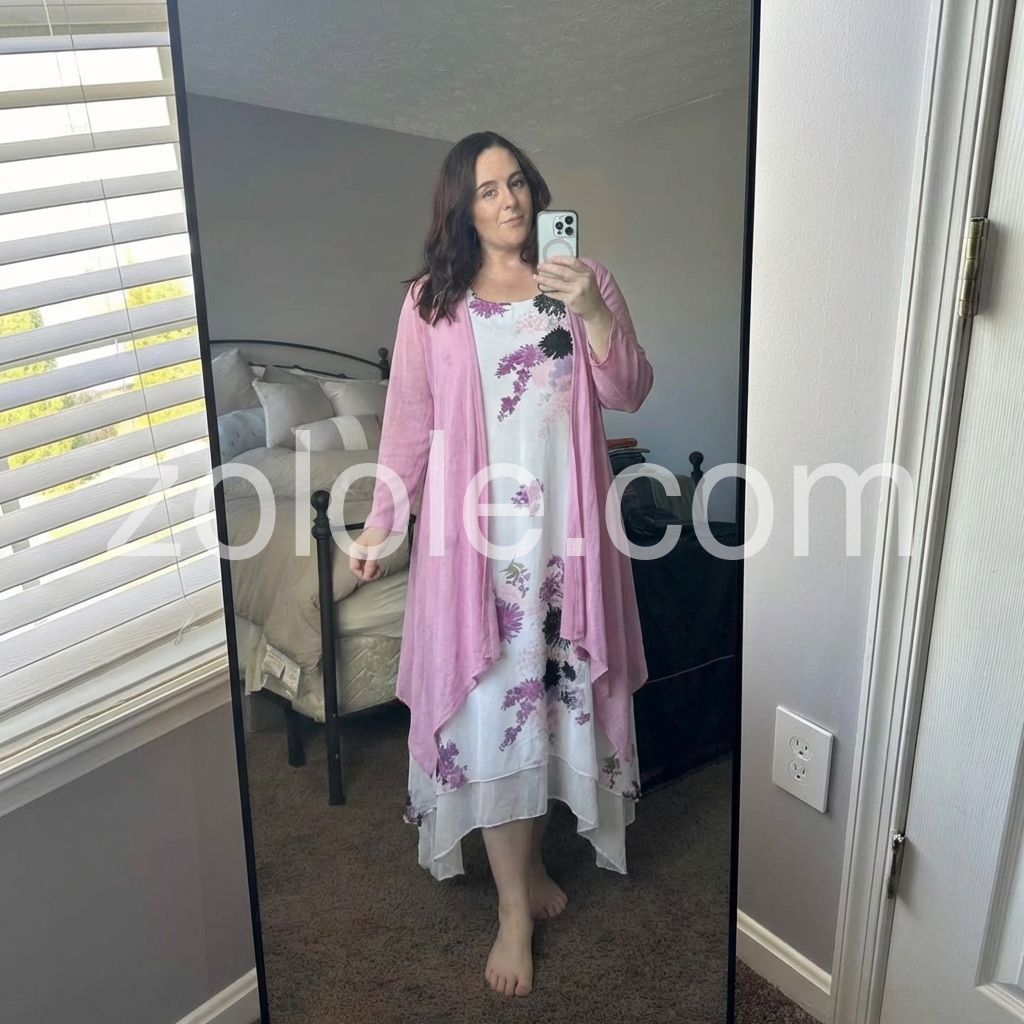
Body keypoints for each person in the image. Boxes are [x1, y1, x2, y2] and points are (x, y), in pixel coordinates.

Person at [349, 131, 653, 997]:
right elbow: (409, 425)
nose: (509, 200)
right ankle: (513, 908)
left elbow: (630, 391)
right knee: (493, 715)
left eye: (516, 182)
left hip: (567, 541)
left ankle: (534, 864)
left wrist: (593, 311)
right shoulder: (430, 303)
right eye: (487, 190)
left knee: (549, 709)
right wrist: (381, 523)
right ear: (462, 207)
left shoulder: (584, 280)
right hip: (477, 550)